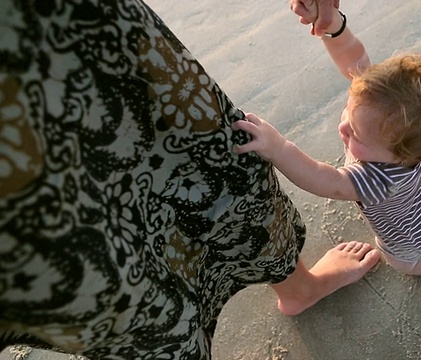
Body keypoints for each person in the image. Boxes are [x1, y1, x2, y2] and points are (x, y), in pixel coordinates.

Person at [0, 0, 378, 358]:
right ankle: (294, 287)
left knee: (215, 160)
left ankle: (299, 287)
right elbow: (331, 176)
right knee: (97, 261)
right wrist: (279, 147)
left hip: (61, 32)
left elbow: (332, 172)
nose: (344, 128)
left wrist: (279, 147)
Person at [234, 3, 421, 276]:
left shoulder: (379, 178)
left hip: (411, 236)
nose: (343, 127)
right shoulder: (379, 105)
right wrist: (333, 26)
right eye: (350, 113)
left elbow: (325, 180)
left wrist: (278, 148)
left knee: (404, 263)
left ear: (401, 156)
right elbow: (355, 61)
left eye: (356, 134)